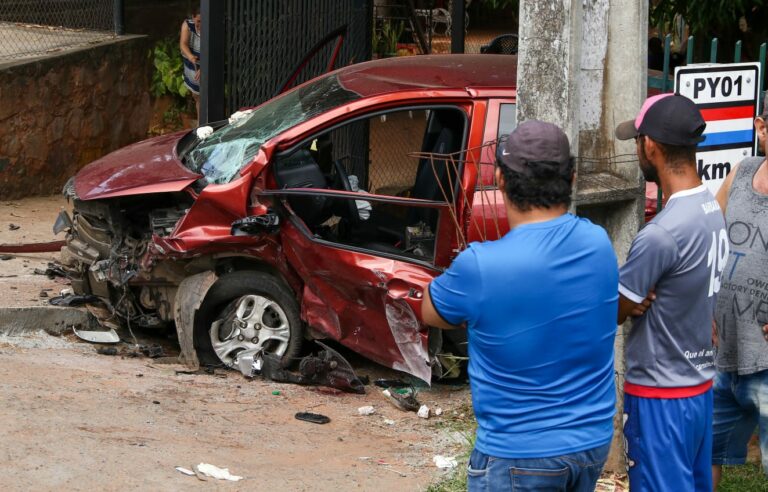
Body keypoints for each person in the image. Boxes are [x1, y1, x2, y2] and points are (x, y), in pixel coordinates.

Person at [422, 120, 618, 492]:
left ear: (499, 178)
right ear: (572, 178)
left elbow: (431, 311)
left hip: (518, 455)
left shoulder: (480, 265)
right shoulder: (598, 243)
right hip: (590, 444)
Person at [615, 93, 727, 492]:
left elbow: (615, 310)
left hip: (660, 397)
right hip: (698, 389)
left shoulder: (661, 233)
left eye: (636, 140)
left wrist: (623, 295)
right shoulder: (711, 210)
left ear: (650, 145)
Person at [711, 98, 768, 486]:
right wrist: (702, 306)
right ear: (762, 128)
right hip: (725, 355)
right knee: (703, 452)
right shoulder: (742, 172)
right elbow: (707, 236)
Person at [180, 8, 201, 121]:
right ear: (193, 17)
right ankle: (200, 122)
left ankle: (202, 123)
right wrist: (191, 56)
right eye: (198, 21)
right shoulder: (187, 25)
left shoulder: (211, 27)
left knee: (204, 96)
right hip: (191, 63)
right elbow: (183, 44)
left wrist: (205, 68)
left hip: (206, 63)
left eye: (203, 21)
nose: (201, 25)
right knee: (196, 95)